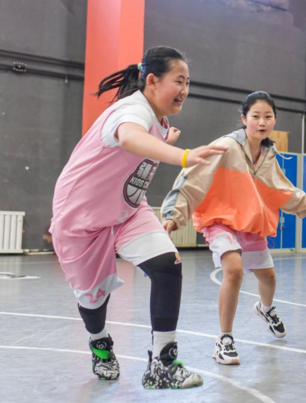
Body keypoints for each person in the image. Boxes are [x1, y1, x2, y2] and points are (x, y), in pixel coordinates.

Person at [50, 46, 227, 389]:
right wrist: (184, 155)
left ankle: (162, 363)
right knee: (93, 299)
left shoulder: (160, 122)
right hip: (81, 216)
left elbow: (144, 142)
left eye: (188, 82)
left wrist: (168, 138)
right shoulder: (131, 109)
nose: (185, 90)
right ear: (151, 80)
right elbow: (130, 138)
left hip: (127, 210)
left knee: (167, 265)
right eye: (179, 81)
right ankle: (100, 344)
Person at [161, 91, 306, 365]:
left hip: (248, 224)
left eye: (268, 117)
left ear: (274, 121)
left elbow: (279, 188)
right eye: (255, 116)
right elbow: (193, 176)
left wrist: (303, 203)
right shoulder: (226, 146)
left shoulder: (268, 154)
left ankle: (265, 309)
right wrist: (174, 214)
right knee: (234, 271)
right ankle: (224, 340)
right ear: (243, 119)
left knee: (269, 278)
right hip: (220, 219)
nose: (262, 122)